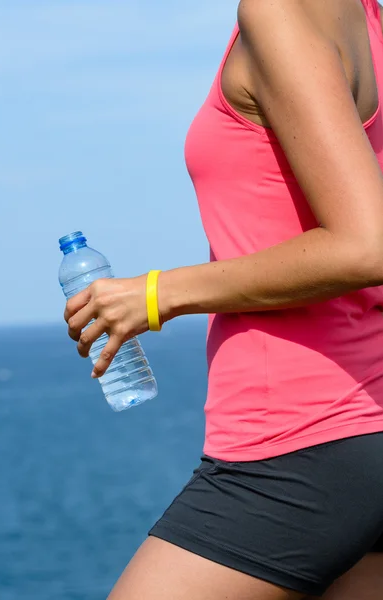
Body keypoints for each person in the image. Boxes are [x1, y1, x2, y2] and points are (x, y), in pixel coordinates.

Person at [64, 0, 383, 598]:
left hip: (300, 442)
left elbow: (367, 246)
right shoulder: (364, 17)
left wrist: (157, 294)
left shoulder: (280, 11)